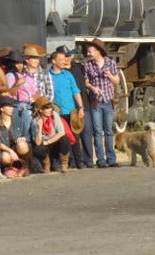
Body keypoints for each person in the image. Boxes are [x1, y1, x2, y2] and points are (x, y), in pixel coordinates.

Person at [83, 38, 121, 168]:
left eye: (90, 51)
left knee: (109, 131)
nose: (88, 54)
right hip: (96, 102)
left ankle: (111, 158)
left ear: (98, 51)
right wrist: (92, 88)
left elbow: (117, 81)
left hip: (108, 101)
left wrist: (110, 76)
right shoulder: (88, 66)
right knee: (98, 132)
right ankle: (101, 159)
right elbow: (86, 81)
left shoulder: (110, 63)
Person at [48, 49, 86, 170]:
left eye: (65, 59)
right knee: (60, 138)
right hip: (57, 112)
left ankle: (79, 162)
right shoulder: (48, 75)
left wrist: (80, 107)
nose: (64, 61)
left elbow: (76, 91)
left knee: (75, 136)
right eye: (61, 59)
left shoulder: (68, 75)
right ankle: (62, 162)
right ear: (54, 61)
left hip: (71, 110)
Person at [31, 95, 72, 173]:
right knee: (37, 148)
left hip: (54, 142)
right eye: (47, 108)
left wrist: (48, 142)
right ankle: (47, 164)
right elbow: (37, 142)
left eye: (51, 107)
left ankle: (63, 164)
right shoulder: (35, 121)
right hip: (44, 146)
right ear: (40, 110)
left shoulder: (54, 115)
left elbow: (61, 132)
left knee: (65, 139)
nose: (50, 110)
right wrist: (40, 127)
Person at [0, 95, 29, 177]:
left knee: (22, 145)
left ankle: (23, 167)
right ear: (2, 109)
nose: (12, 108)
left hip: (16, 147)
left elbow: (27, 135)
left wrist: (23, 138)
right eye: (9, 106)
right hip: (5, 149)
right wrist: (10, 151)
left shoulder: (18, 120)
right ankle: (10, 169)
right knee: (5, 157)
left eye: (12, 106)